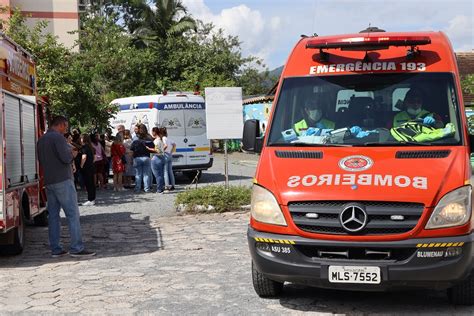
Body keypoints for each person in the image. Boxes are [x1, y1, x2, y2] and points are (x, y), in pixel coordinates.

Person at [37, 116, 95, 258]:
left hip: (49, 181)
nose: (66, 129)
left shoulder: (42, 139)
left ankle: (56, 248)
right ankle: (77, 247)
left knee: (53, 217)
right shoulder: (58, 138)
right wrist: (73, 154)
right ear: (61, 125)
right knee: (72, 214)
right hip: (63, 179)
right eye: (66, 126)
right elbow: (66, 158)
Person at [130, 124, 153, 193]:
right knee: (146, 174)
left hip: (137, 158)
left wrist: (132, 159)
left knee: (138, 174)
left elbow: (132, 150)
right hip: (146, 157)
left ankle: (137, 189)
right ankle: (147, 189)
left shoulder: (135, 140)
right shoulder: (149, 138)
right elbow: (152, 148)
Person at [79, 134, 96, 206]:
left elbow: (84, 157)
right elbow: (95, 158)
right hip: (91, 166)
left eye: (81, 138)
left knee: (88, 183)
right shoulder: (91, 147)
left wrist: (81, 166)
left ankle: (90, 199)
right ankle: (93, 199)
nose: (80, 139)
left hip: (86, 168)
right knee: (92, 183)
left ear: (83, 139)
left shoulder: (84, 147)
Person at [149, 127, 165, 193]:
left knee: (157, 175)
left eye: (152, 132)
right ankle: (161, 188)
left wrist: (148, 148)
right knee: (161, 174)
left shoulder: (156, 141)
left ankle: (159, 189)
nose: (151, 133)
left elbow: (157, 150)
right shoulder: (160, 140)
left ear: (154, 132)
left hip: (156, 158)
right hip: (162, 157)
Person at [161, 127, 176, 192]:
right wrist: (171, 151)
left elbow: (165, 145)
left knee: (165, 171)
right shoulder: (168, 138)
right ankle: (173, 185)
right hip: (170, 154)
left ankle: (167, 186)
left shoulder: (163, 138)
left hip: (166, 154)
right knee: (170, 170)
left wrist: (161, 151)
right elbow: (174, 144)